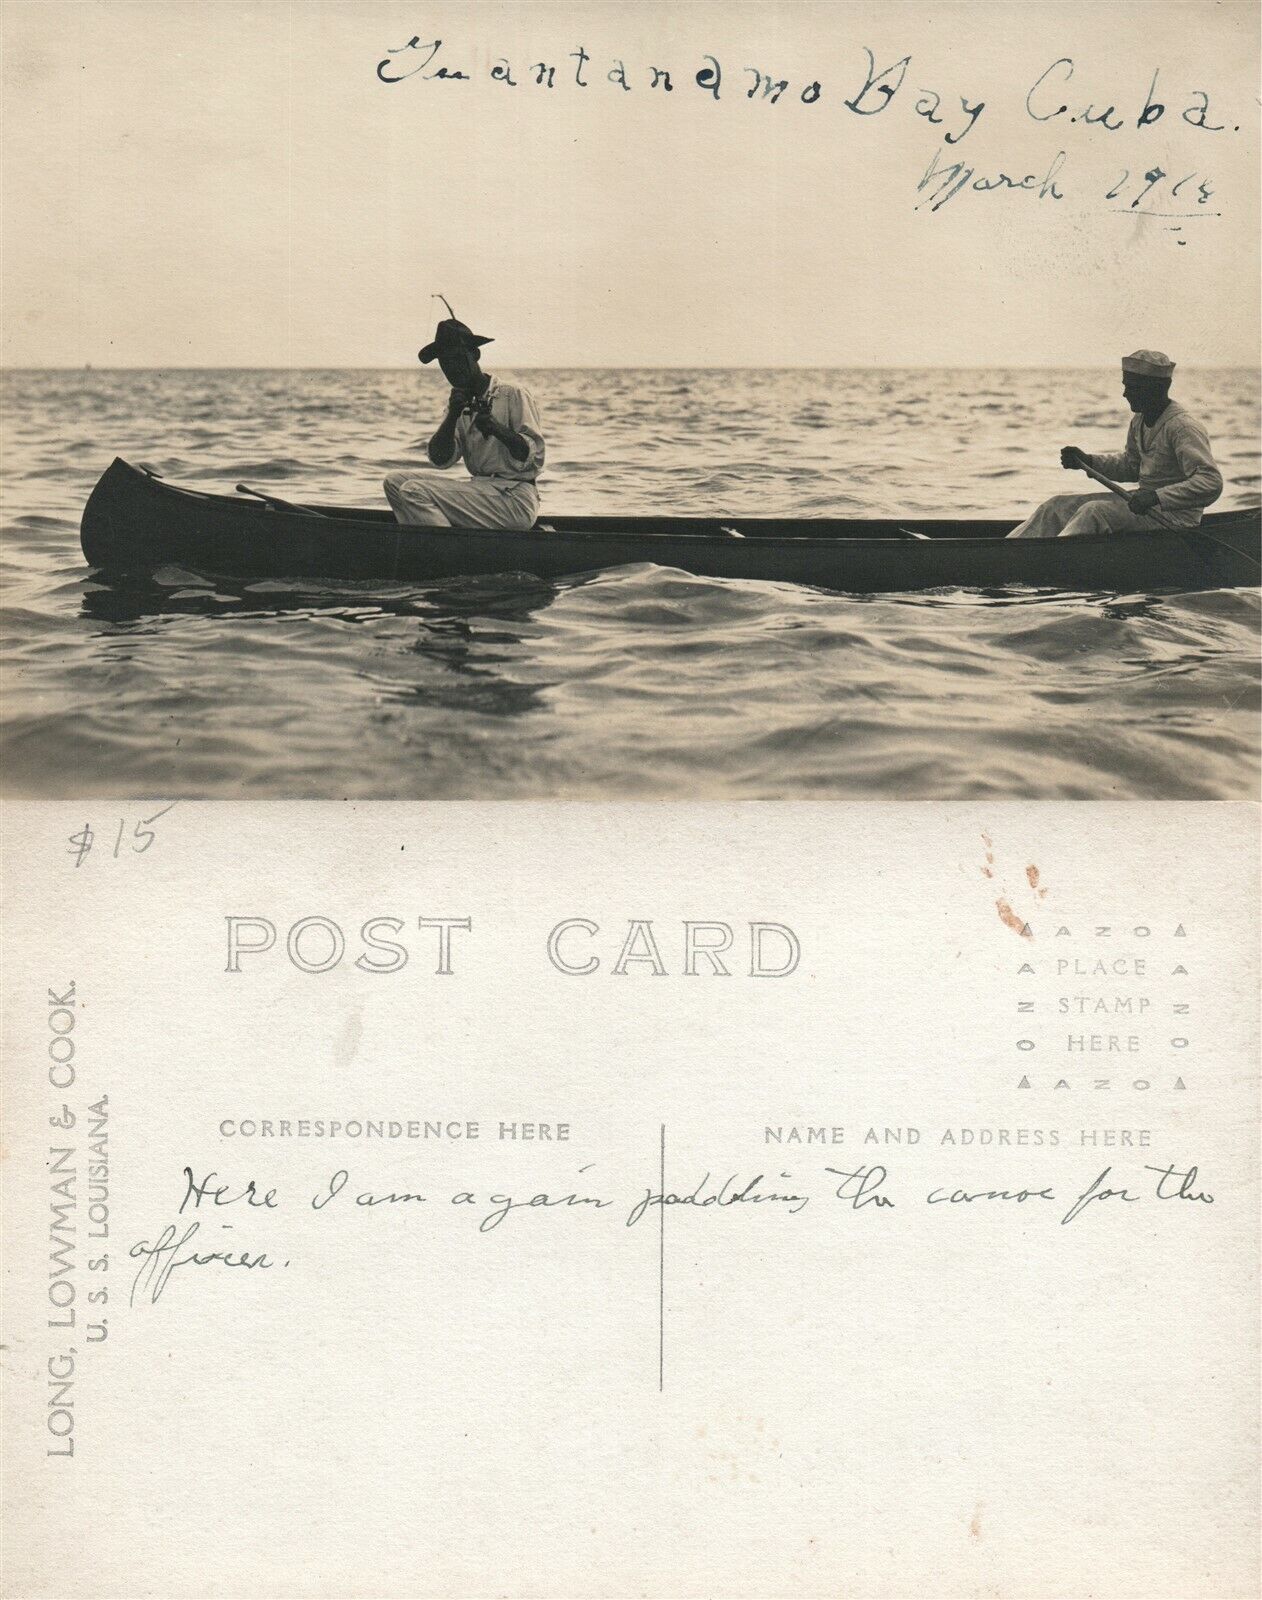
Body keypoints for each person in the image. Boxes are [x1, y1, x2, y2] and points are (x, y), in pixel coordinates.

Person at [1006, 351, 1223, 539]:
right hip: (1143, 506)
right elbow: (1131, 466)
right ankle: (1008, 552)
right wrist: (1089, 461)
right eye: (1126, 386)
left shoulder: (1182, 427)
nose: (1125, 394)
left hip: (1174, 518)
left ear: (1157, 389)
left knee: (1095, 512)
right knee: (1055, 506)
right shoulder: (1139, 420)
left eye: (1133, 388)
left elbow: (1210, 482)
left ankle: (1043, 561)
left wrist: (1157, 497)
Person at [383, 311, 545, 530]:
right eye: (445, 363)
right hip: (482, 493)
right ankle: (433, 538)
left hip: (514, 499)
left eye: (458, 359)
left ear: (475, 355)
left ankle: (446, 552)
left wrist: (496, 429)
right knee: (395, 482)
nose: (452, 368)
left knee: (414, 490)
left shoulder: (511, 393)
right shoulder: (458, 403)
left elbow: (533, 458)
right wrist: (452, 414)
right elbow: (441, 460)